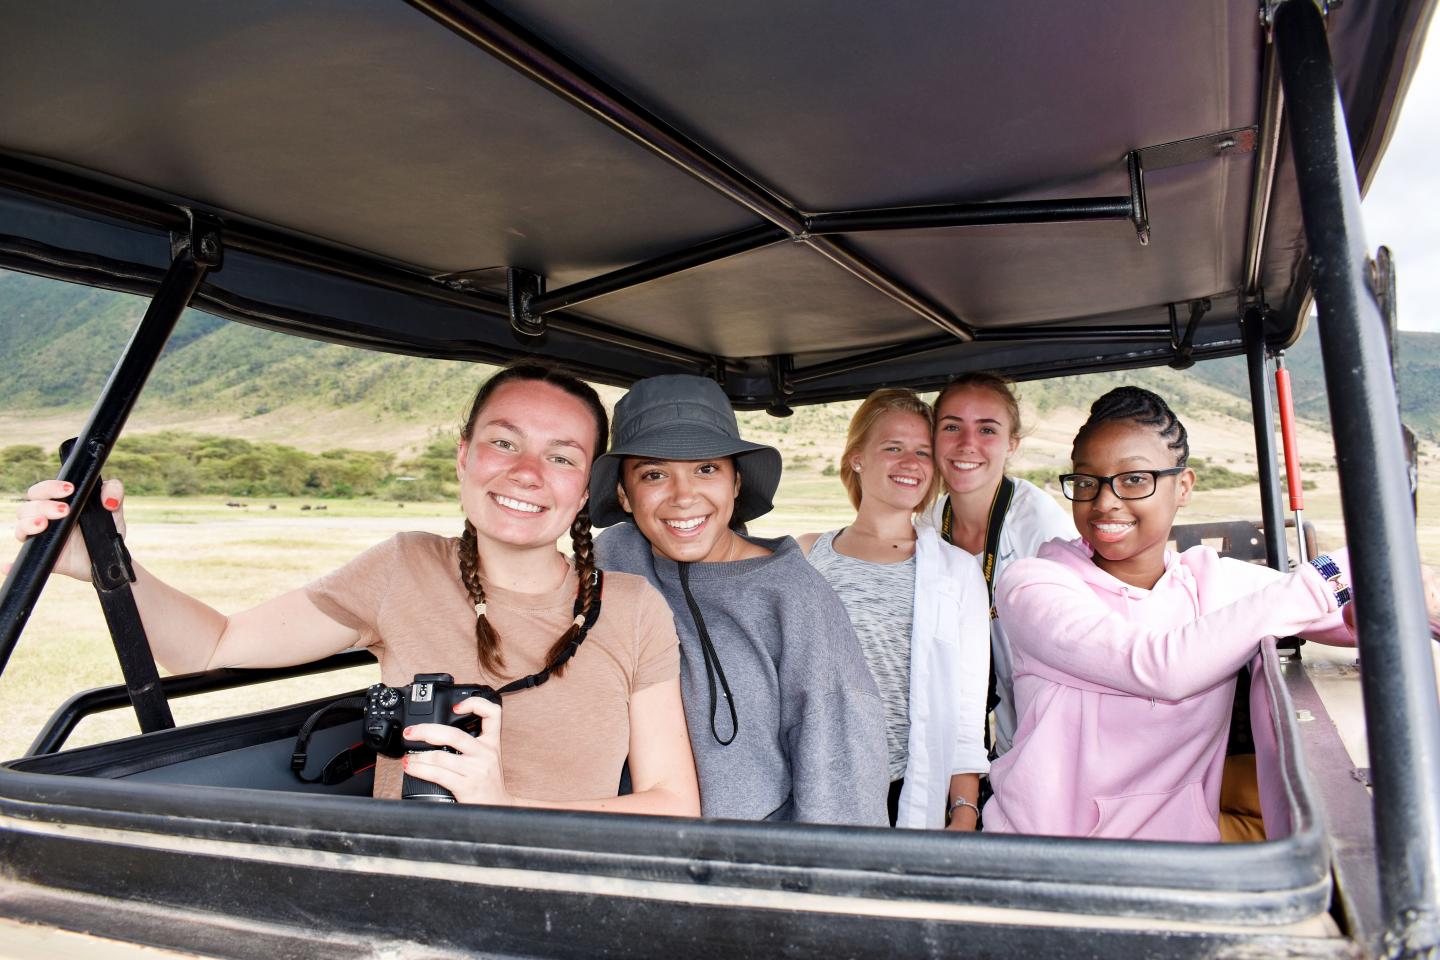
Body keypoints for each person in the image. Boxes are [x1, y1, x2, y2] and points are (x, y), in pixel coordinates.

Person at [11, 364, 699, 815]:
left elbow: (673, 800)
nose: (525, 473)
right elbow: (212, 645)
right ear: (463, 456)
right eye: (503, 443)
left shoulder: (632, 607)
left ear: (585, 489)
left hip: (571, 888)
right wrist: (107, 563)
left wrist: (507, 804)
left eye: (560, 457)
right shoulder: (401, 570)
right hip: (405, 883)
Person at [983, 386, 1359, 841]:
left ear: (1183, 486)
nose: (1104, 502)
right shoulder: (1032, 585)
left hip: (1178, 859)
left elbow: (1347, 615)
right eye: (1086, 482)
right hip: (1047, 860)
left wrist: (1410, 593)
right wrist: (1327, 577)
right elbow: (1159, 666)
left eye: (1134, 479)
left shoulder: (1212, 584)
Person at [590, 374, 889, 826]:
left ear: (735, 482)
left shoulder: (793, 598)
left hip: (752, 861)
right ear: (623, 495)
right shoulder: (609, 565)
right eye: (654, 474)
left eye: (706, 469)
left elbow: (842, 765)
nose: (684, 496)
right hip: (631, 850)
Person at [798, 388, 990, 831]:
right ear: (857, 458)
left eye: (924, 452)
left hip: (905, 790)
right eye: (893, 448)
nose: (912, 463)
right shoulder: (806, 554)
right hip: (814, 782)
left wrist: (963, 811)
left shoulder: (956, 572)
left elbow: (966, 708)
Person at [919, 372, 1076, 759]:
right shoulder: (929, 524)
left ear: (1012, 444)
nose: (967, 444)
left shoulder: (1037, 523)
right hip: (970, 736)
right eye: (952, 426)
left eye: (987, 429)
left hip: (1050, 735)